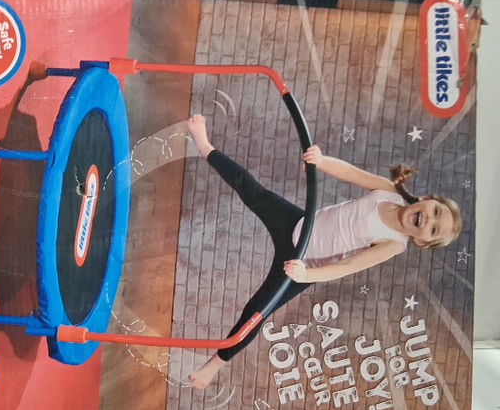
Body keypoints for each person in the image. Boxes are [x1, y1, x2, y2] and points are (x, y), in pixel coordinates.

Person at [185, 114, 462, 390]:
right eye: (436, 211)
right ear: (426, 199)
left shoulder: (394, 244)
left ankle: (215, 364)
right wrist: (322, 161)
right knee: (253, 191)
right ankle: (205, 146)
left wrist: (306, 275)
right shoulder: (389, 192)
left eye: (434, 229)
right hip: (299, 224)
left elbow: (348, 266)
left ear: (422, 242)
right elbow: (351, 173)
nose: (429, 220)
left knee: (257, 311)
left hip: (305, 263)